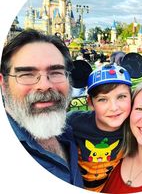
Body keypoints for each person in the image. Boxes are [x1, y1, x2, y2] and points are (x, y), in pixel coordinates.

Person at [0, 29, 83, 188]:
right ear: (3, 84)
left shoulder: (68, 131)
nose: (44, 86)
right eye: (27, 74)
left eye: (56, 72)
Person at [67, 63, 132, 192]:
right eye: (103, 99)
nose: (114, 107)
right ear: (90, 103)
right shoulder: (73, 122)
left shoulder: (133, 127)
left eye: (121, 97)